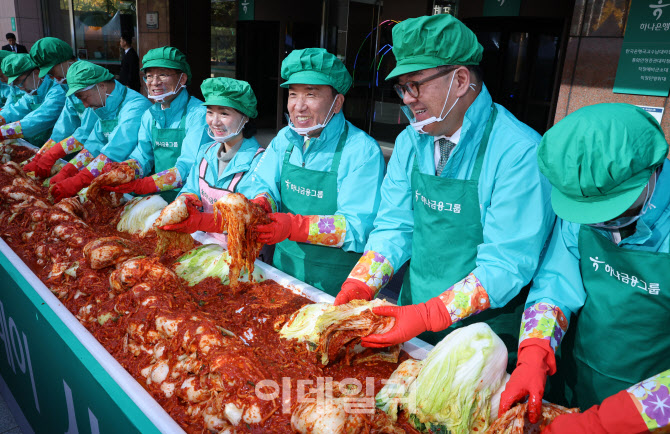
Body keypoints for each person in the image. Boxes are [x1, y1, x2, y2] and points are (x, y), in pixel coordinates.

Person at [333, 14, 555, 359]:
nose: (407, 99)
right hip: (408, 312)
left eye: (415, 84)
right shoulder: (411, 141)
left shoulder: (519, 152)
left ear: (461, 79)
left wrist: (431, 314)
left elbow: (507, 262)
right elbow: (396, 223)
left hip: (481, 337)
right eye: (401, 88)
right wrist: (363, 280)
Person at [497, 103, 670, 433]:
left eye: (612, 210)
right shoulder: (585, 200)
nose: (600, 224)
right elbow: (555, 283)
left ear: (652, 171)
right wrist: (534, 349)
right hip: (584, 379)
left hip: (654, 414)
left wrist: (606, 423)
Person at [246, 47, 386, 296]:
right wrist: (262, 202)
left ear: (337, 102)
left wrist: (294, 226)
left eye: (311, 95)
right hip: (282, 271)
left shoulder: (362, 150)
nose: (299, 106)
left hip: (336, 282)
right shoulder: (284, 139)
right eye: (292, 95)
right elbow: (261, 181)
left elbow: (357, 225)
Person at [54, 46, 207, 202]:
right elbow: (143, 155)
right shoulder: (150, 115)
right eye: (149, 76)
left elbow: (187, 167)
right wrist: (125, 170)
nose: (154, 82)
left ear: (182, 79)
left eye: (163, 75)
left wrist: (143, 185)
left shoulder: (199, 115)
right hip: (158, 197)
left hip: (190, 201)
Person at [157, 77, 266, 249]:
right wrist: (187, 200)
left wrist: (201, 221)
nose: (214, 121)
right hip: (206, 244)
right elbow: (191, 188)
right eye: (210, 112)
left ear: (245, 117)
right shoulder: (206, 151)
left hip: (240, 252)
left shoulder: (259, 161)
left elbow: (248, 216)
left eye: (224, 113)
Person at [32, 61, 150, 203]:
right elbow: (94, 145)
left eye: (84, 97)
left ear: (101, 86)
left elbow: (115, 151)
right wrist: (68, 170)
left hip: (137, 185)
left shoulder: (135, 107)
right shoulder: (105, 105)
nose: (85, 105)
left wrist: (79, 180)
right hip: (110, 181)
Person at [22, 37, 99, 177]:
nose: (52, 78)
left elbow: (87, 131)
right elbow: (64, 127)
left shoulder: (90, 81)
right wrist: (41, 155)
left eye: (52, 72)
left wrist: (53, 154)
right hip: (90, 155)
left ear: (66, 61)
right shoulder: (67, 84)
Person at [0, 52, 66, 145]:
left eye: (21, 82)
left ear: (36, 73)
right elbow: (16, 109)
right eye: (17, 85)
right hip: (40, 142)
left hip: (60, 145)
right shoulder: (33, 92)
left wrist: (4, 132)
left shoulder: (57, 91)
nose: (21, 88)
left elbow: (40, 118)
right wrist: (1, 119)